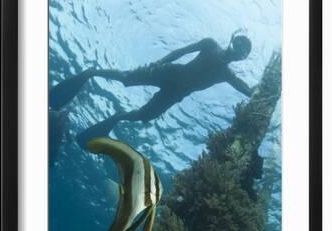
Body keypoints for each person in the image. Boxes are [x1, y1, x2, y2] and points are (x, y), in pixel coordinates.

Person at [49, 31, 253, 146]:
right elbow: (181, 51)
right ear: (232, 41)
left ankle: (118, 116)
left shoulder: (227, 74)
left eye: (242, 52)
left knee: (143, 116)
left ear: (242, 58)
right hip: (169, 72)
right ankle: (91, 73)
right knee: (125, 78)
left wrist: (264, 92)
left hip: (176, 94)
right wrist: (159, 62)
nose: (237, 52)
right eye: (238, 46)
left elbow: (247, 89)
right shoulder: (210, 44)